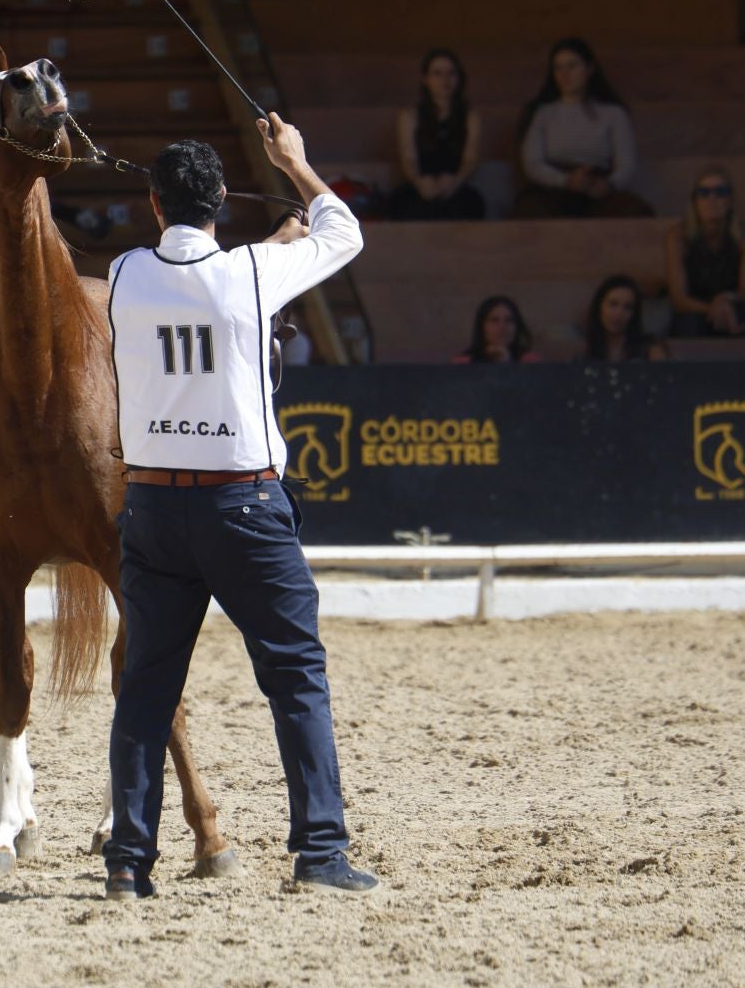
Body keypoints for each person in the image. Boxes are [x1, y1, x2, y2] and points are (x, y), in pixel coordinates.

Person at [102, 117, 375, 901]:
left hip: (154, 505)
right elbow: (345, 231)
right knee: (295, 677)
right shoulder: (256, 272)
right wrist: (296, 165)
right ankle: (320, 853)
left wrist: (273, 251)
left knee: (148, 687)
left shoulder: (123, 274)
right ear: (220, 200)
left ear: (155, 205)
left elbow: (198, 273)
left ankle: (128, 861)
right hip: (244, 506)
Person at [513, 37, 651, 219]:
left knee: (633, 212)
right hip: (553, 189)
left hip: (598, 187)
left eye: (572, 66)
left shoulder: (614, 113)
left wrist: (609, 185)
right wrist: (566, 181)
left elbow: (626, 164)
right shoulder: (543, 113)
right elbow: (532, 163)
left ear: (590, 69)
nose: (564, 74)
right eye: (558, 68)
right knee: (530, 212)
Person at [664, 165, 745, 338]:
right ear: (694, 201)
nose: (712, 198)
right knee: (690, 323)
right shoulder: (677, 236)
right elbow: (678, 298)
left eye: (720, 192)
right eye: (704, 193)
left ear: (730, 200)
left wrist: (725, 301)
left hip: (735, 301)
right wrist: (714, 308)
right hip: (694, 306)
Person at [387, 48, 485, 221]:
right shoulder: (410, 116)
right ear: (425, 79)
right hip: (421, 186)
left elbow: (470, 158)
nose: (445, 80)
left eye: (451, 73)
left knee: (469, 207)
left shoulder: (470, 116)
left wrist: (455, 182)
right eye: (437, 73)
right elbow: (408, 157)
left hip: (456, 186)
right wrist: (420, 182)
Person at [578, 274, 668, 362]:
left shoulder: (650, 350)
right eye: (613, 304)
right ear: (600, 306)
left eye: (627, 307)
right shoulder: (586, 354)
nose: (619, 314)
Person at [452, 294, 542, 363]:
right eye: (494, 320)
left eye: (509, 320)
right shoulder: (463, 363)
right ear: (482, 326)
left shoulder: (530, 362)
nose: (502, 327)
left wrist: (508, 362)